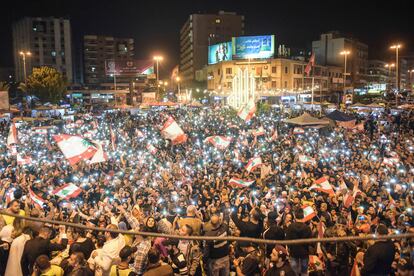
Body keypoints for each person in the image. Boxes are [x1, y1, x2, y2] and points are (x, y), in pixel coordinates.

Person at [285, 208, 312, 276]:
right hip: (304, 252)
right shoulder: (307, 228)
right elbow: (310, 241)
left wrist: (289, 248)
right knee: (304, 272)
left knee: (294, 273)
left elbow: (287, 239)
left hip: (293, 252)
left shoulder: (290, 227)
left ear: (294, 216)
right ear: (303, 216)